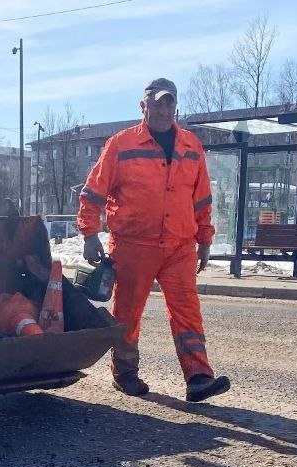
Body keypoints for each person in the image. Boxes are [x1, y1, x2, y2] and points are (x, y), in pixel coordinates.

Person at [77, 78, 231, 403]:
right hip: (134, 246)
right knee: (128, 313)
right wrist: (89, 234)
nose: (163, 109)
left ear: (176, 106)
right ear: (143, 106)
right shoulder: (120, 145)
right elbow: (93, 192)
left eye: (169, 103)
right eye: (156, 103)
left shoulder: (191, 146)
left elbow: (201, 199)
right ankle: (125, 372)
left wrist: (204, 239)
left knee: (187, 310)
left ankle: (199, 376)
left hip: (179, 246)